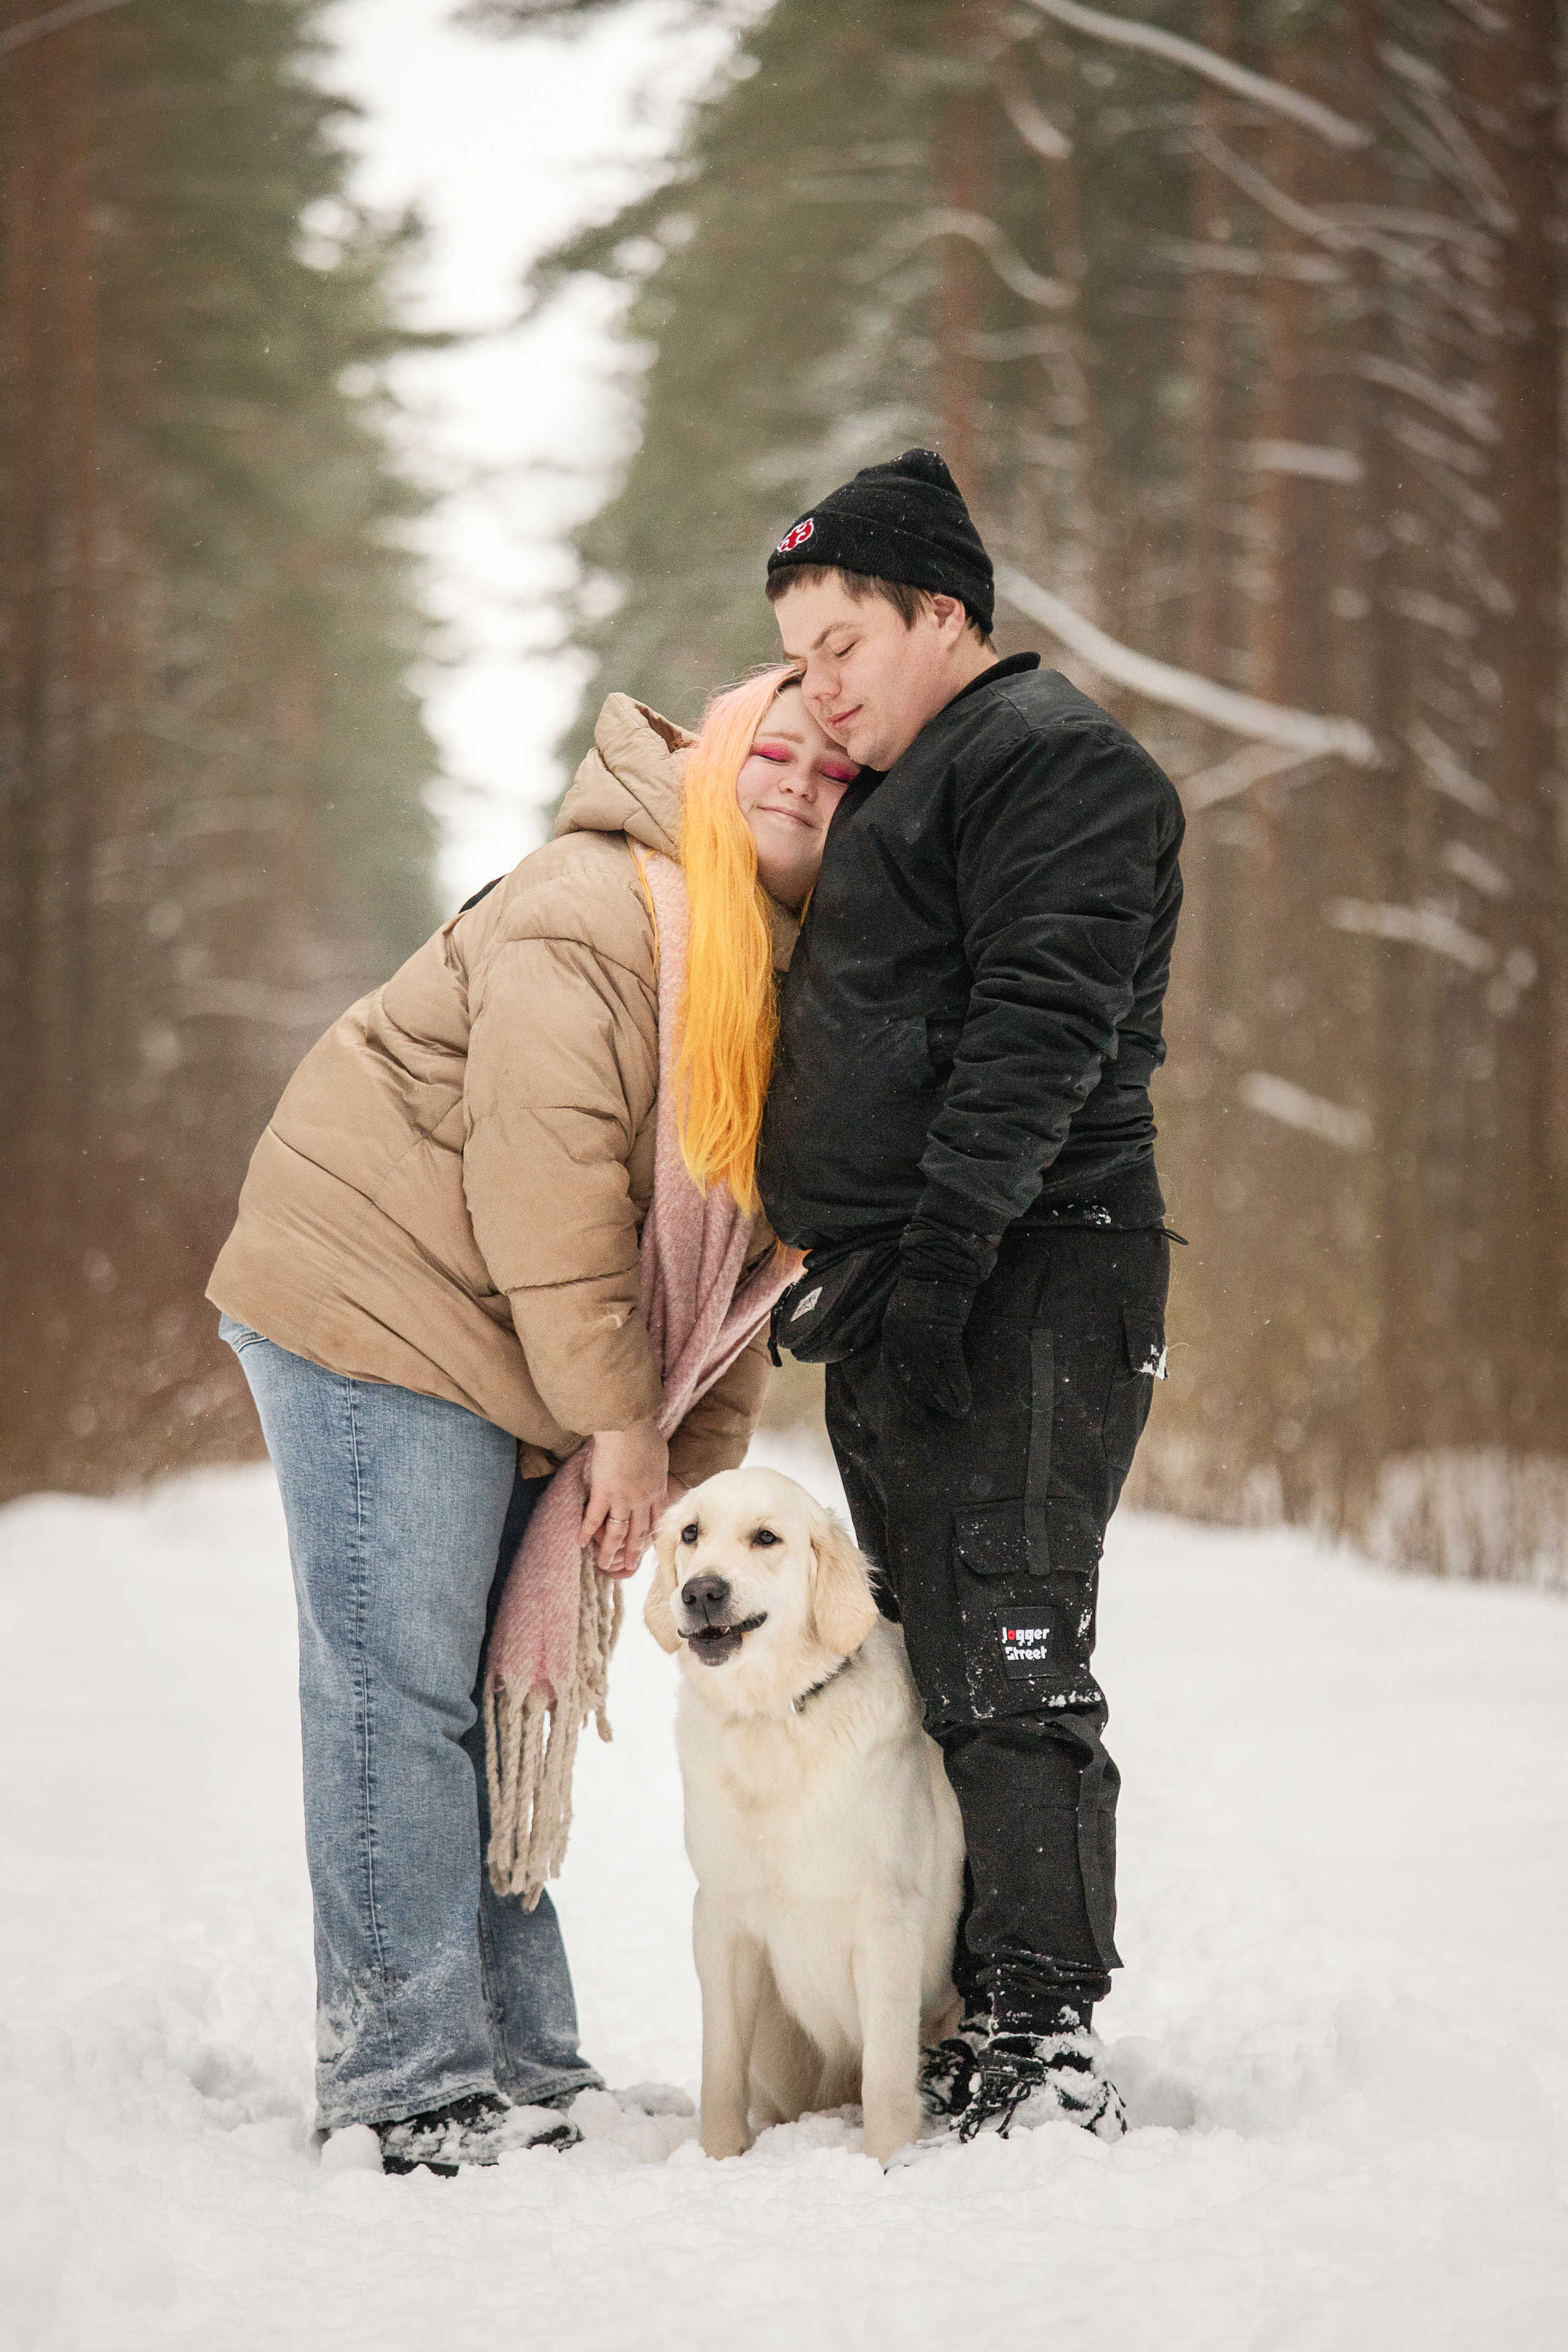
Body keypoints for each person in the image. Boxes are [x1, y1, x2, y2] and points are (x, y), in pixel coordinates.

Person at [208, 669, 856, 2174]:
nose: (795, 780)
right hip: (383, 1298)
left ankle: (522, 2061)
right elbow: (547, 1187)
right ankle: (403, 2082)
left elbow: (736, 1271)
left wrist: (679, 1473)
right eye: (770, 748)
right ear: (698, 761)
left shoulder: (774, 980)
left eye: (832, 776)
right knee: (400, 1690)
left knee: (491, 1697)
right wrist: (617, 1427)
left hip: (509, 1340)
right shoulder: (597, 904)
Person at [758, 450, 1184, 2141]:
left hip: (1035, 1261)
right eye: (795, 657)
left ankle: (1044, 2030)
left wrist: (943, 1257)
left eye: (842, 641)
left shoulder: (1054, 765)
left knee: (1013, 1646)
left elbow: (1040, 1025)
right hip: (919, 1282)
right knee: (933, 1653)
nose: (820, 685)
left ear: (944, 614)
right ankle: (963, 2001)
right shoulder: (915, 781)